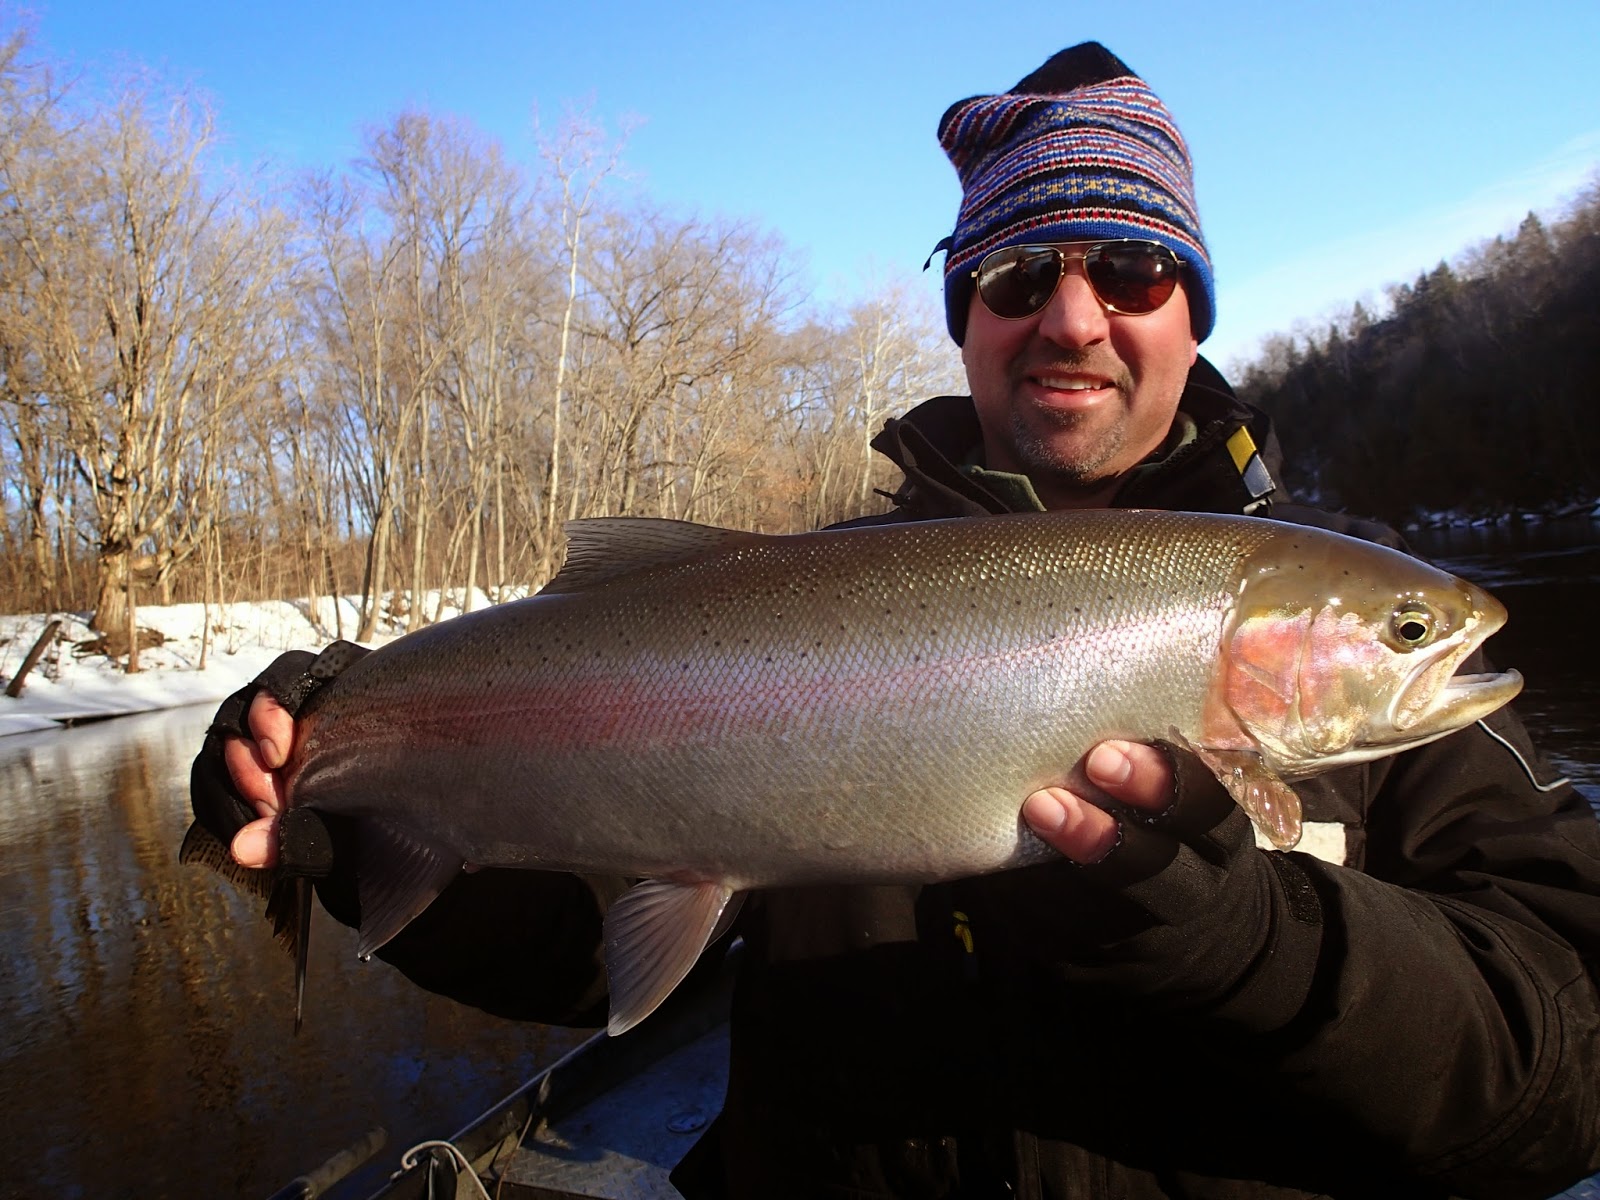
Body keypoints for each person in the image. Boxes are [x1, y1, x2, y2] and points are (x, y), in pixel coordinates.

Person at [190, 43, 1600, 1199]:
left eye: (1129, 270)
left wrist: (1263, 943)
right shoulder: (807, 589)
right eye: (1014, 278)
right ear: (963, 317)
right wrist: (353, 790)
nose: (1073, 317)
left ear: (1192, 311)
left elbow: (1567, 1074)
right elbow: (576, 943)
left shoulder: (1352, 592)